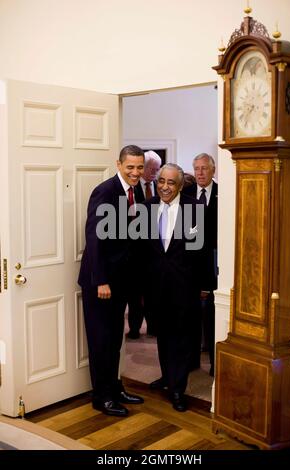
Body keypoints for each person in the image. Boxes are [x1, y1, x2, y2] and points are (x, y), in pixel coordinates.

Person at [78, 145, 145, 417]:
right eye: (130, 167)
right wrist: (101, 280)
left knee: (115, 339)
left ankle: (115, 388)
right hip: (100, 283)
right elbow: (94, 239)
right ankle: (101, 397)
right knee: (101, 341)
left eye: (139, 167)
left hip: (121, 282)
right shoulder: (105, 191)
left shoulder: (137, 190)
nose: (135, 172)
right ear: (118, 164)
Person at [143, 163, 213, 412]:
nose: (164, 186)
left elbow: (203, 251)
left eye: (171, 182)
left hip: (185, 286)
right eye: (161, 181)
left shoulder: (196, 208)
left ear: (181, 185)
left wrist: (206, 284)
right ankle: (167, 376)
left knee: (182, 338)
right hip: (155, 286)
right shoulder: (147, 207)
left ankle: (177, 388)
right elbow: (143, 251)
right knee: (162, 334)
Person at [183, 153, 218, 376]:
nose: (200, 173)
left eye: (204, 168)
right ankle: (191, 360)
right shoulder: (185, 194)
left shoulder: (223, 194)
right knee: (190, 315)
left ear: (213, 170)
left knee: (212, 315)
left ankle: (215, 363)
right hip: (190, 264)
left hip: (214, 263)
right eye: (196, 168)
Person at [126, 150, 162, 339]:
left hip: (153, 250)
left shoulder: (157, 186)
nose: (155, 173)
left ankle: (153, 327)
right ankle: (133, 328)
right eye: (152, 169)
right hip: (134, 250)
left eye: (157, 169)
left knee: (152, 293)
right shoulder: (132, 189)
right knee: (134, 294)